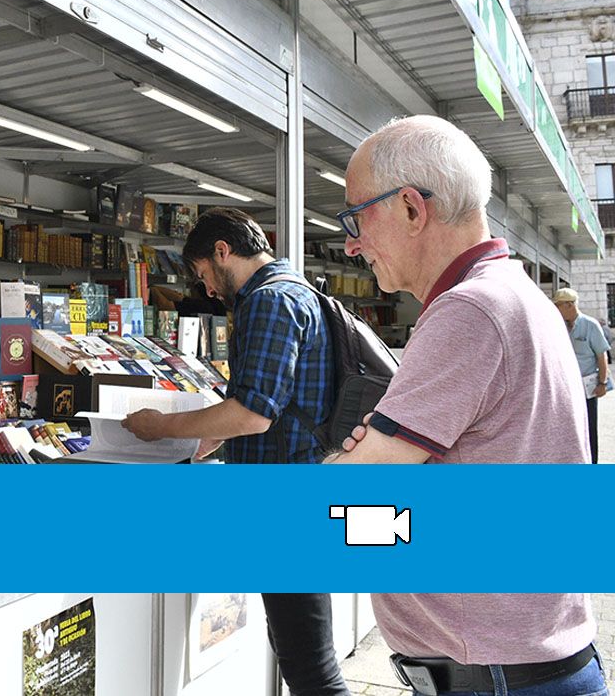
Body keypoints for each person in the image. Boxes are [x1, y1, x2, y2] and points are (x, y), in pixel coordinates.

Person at [329, 115, 602, 696]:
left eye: (356, 216)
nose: (351, 243)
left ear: (410, 207)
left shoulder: (469, 312)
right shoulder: (516, 295)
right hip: (528, 664)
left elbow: (344, 505)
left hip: (497, 677)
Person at [122, 208, 348, 696]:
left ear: (222, 252)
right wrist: (211, 435)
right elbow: (279, 402)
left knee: (311, 668)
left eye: (204, 273)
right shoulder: (298, 291)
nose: (206, 289)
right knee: (301, 651)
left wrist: (161, 426)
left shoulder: (269, 301)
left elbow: (254, 412)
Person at [553, 287, 609, 463]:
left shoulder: (590, 325)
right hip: (567, 386)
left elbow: (602, 355)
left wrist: (602, 382)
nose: (557, 309)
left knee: (589, 426)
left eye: (559, 306)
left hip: (587, 386)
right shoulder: (559, 326)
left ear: (569, 305)